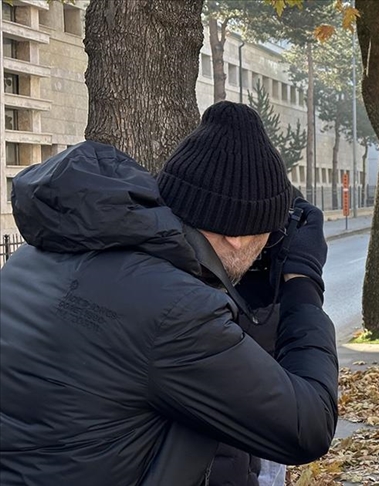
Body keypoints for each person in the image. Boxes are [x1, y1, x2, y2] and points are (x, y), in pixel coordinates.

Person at [0, 101, 338, 486]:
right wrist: (302, 283)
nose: (269, 247)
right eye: (269, 236)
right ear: (237, 236)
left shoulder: (44, 254)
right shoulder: (174, 312)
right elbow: (308, 427)